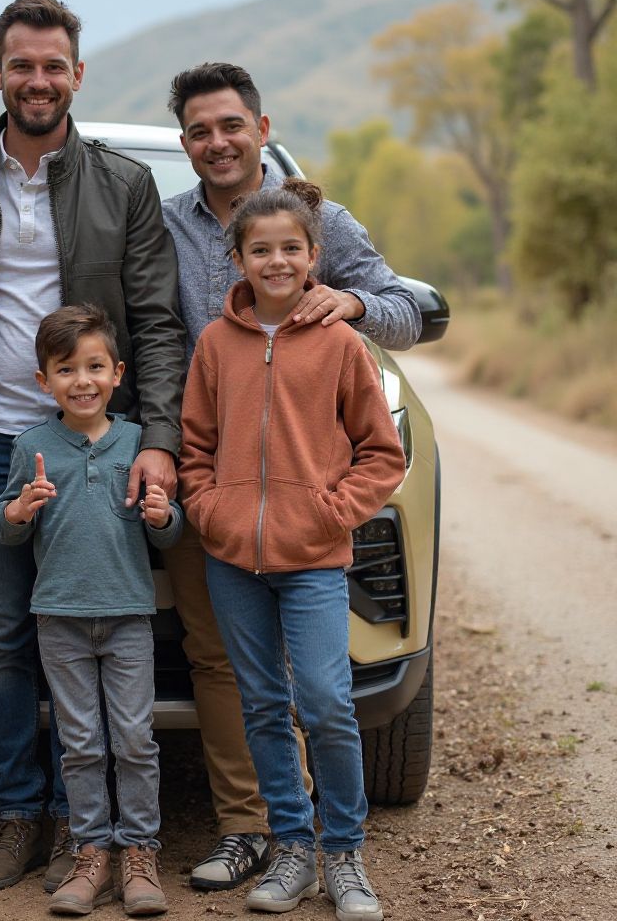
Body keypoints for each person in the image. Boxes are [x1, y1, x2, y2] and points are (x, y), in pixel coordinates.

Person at [160, 62, 421, 891]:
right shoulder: (165, 233)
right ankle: (270, 838)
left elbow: (403, 313)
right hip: (224, 517)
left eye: (231, 125)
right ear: (184, 142)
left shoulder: (325, 228)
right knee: (240, 684)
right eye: (200, 131)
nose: (218, 142)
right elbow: (162, 367)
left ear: (261, 129)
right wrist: (207, 504)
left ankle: (341, 849)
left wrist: (352, 305)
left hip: (310, 529)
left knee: (325, 695)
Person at [0, 0, 185, 893]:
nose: (37, 80)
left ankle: (91, 833)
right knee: (6, 639)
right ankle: (21, 817)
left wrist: (157, 438)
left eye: (54, 66)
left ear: (77, 75)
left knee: (102, 630)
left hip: (97, 444)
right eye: (22, 65)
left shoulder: (125, 185)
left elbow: (156, 323)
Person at [0, 305, 182, 917]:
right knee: (79, 743)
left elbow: (169, 530)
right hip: (59, 617)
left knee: (135, 739)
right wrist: (19, 510)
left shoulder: (138, 442)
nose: (82, 381)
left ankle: (140, 853)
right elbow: (3, 525)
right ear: (43, 381)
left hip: (128, 615)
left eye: (95, 367)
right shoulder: (31, 446)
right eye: (66, 369)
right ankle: (90, 851)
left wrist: (164, 518)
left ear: (118, 373)